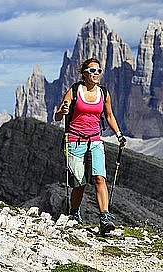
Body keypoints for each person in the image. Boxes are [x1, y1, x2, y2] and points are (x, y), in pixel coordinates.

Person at [54, 57, 126, 235]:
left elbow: (109, 116)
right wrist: (62, 111)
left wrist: (119, 135)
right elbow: (58, 115)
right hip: (74, 140)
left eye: (99, 71)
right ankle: (74, 212)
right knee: (80, 182)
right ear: (84, 73)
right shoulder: (74, 90)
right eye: (92, 71)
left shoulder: (104, 93)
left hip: (95, 140)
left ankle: (105, 218)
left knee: (99, 178)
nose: (96, 74)